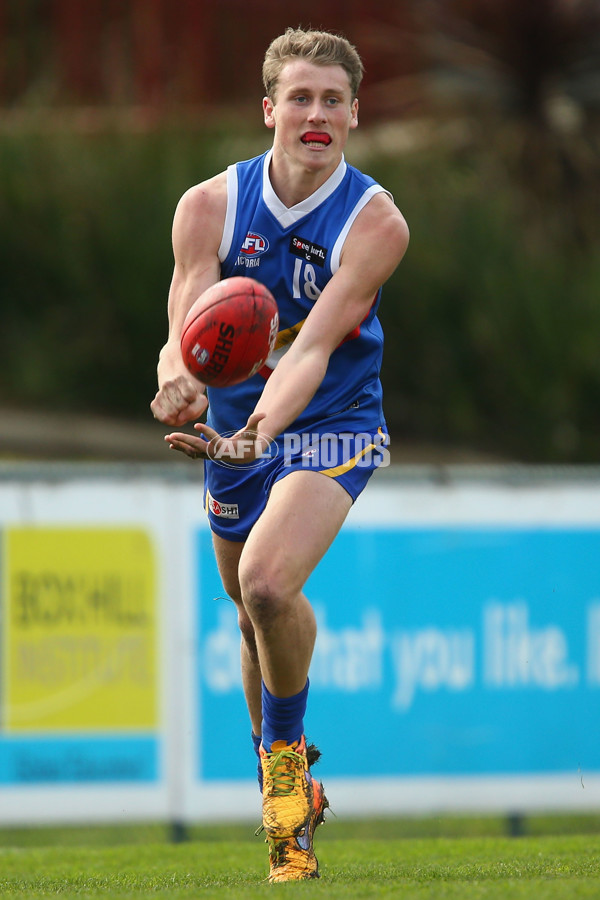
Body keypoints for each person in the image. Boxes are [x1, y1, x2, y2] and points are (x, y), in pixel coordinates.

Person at [151, 26, 409, 882]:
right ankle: (284, 770)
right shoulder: (209, 206)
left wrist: (259, 428)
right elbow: (184, 329)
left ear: (354, 117)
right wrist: (176, 383)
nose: (316, 113)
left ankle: (285, 785)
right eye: (300, 96)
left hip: (329, 424)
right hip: (231, 434)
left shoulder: (375, 223)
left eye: (333, 100)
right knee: (250, 608)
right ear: (269, 109)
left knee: (267, 581)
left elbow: (309, 351)